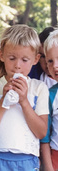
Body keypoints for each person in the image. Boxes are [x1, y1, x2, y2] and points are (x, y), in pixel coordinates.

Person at [0, 24, 49, 171]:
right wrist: (3, 100)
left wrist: (24, 101)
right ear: (2, 55)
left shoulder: (39, 88)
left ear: (35, 59)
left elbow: (41, 132)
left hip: (27, 160)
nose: (17, 66)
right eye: (12, 58)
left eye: (25, 60)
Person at [40, 29, 58, 171]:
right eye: (50, 61)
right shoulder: (50, 95)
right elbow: (45, 138)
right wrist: (49, 167)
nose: (54, 66)